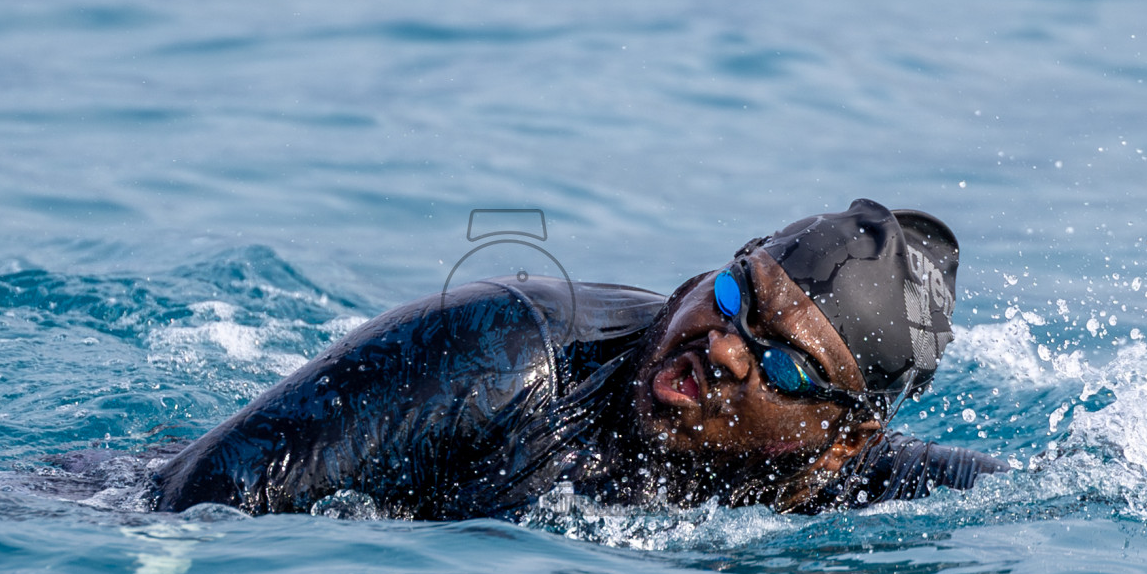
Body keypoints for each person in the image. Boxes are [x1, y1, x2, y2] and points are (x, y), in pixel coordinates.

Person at [150, 199, 1006, 519]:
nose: (723, 348)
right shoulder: (504, 354)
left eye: (782, 367)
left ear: (842, 440)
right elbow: (193, 503)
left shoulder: (854, 480)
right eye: (735, 295)